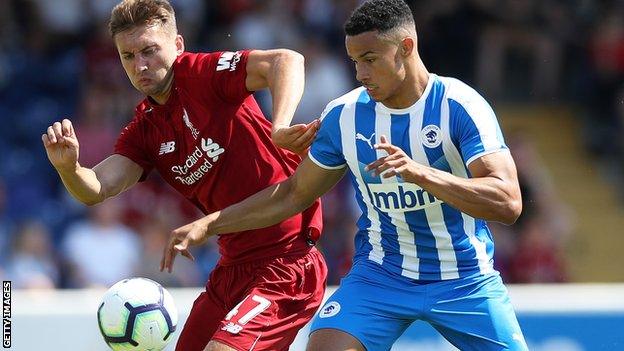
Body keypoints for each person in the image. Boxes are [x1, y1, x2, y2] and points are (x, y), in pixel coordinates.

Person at [161, 0, 529, 350]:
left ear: (406, 47)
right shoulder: (345, 116)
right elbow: (292, 195)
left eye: (370, 59)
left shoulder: (459, 105)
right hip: (381, 276)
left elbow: (508, 202)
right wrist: (211, 224)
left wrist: (422, 174)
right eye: (354, 62)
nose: (361, 74)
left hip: (464, 278)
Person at [41, 0, 327, 350]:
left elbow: (286, 60)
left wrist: (280, 125)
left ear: (177, 45)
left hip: (286, 263)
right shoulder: (143, 130)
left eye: (149, 51)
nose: (140, 65)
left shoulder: (204, 74)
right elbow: (95, 189)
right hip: (232, 267)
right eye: (128, 56)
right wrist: (69, 168)